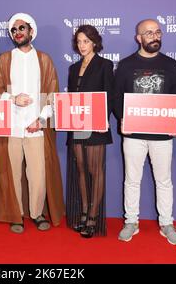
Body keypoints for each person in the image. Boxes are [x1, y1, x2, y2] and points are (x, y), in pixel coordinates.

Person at [0, 13, 65, 233]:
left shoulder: (44, 59)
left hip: (36, 127)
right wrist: (13, 99)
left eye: (22, 28)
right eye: (14, 30)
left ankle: (37, 212)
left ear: (31, 31)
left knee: (38, 174)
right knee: (12, 172)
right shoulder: (3, 59)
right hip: (11, 126)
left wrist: (41, 120)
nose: (18, 32)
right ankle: (16, 214)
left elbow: (52, 93)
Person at [112, 19, 176, 245]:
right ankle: (131, 221)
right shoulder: (125, 65)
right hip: (133, 135)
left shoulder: (171, 65)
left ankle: (166, 223)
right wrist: (122, 118)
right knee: (132, 180)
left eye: (158, 32)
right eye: (149, 33)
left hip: (162, 135)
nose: (154, 37)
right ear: (138, 38)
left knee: (164, 181)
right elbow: (116, 96)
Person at [66, 25, 114, 238]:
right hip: (76, 124)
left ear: (94, 42)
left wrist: (104, 119)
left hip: (96, 125)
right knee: (81, 170)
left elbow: (109, 96)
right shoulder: (73, 68)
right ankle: (84, 212)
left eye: (86, 41)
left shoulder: (105, 65)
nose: (82, 45)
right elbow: (71, 99)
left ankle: (93, 216)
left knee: (96, 171)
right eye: (79, 41)